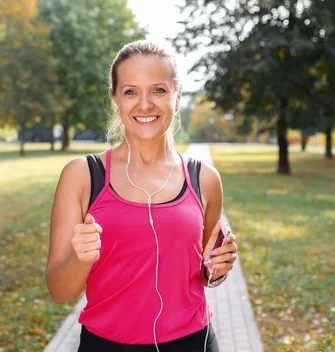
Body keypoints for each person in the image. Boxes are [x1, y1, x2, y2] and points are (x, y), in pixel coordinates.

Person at [45, 40, 238, 352]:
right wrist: (82, 259)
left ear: (177, 98)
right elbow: (59, 291)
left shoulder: (205, 179)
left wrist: (217, 269)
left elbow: (206, 272)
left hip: (194, 342)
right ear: (115, 99)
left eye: (159, 90)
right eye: (131, 91)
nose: (145, 104)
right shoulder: (82, 176)